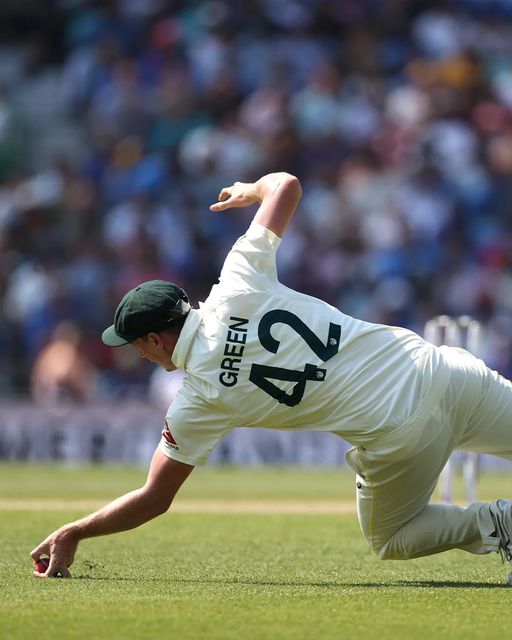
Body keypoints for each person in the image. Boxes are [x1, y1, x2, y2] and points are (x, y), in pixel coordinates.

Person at [31, 172, 512, 584]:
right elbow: (287, 185)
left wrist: (76, 530)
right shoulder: (237, 281)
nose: (137, 354)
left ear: (156, 339)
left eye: (136, 344)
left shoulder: (200, 398)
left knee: (393, 538)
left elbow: (154, 498)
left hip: (400, 433)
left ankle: (502, 524)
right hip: (443, 368)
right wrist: (250, 188)